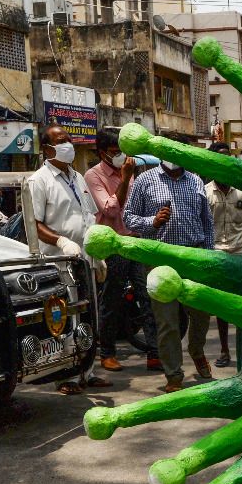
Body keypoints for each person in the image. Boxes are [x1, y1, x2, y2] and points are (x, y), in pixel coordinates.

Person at [28, 124, 112, 394]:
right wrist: (62, 241)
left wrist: (96, 254)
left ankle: (87, 370)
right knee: (64, 319)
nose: (67, 145)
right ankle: (66, 375)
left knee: (89, 315)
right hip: (59, 261)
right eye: (61, 141)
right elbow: (34, 224)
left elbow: (88, 216)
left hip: (85, 258)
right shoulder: (39, 180)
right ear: (47, 148)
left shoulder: (77, 177)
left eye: (68, 140)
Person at [124, 151, 216, 392]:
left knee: (202, 313)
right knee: (168, 321)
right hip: (159, 259)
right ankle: (173, 375)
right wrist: (151, 222)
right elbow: (128, 218)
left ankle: (196, 350)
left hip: (193, 258)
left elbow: (207, 223)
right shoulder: (145, 180)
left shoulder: (195, 181)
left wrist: (209, 256)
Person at [85, 128, 156, 372]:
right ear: (102, 152)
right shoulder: (94, 175)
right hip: (113, 244)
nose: (120, 157)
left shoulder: (131, 172)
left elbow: (133, 208)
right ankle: (107, 353)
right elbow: (111, 210)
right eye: (115, 152)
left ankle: (154, 351)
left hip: (134, 241)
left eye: (122, 152)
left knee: (147, 295)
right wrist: (125, 179)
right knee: (111, 301)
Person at [207, 141, 242, 367]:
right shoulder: (205, 192)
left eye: (228, 155)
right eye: (220, 156)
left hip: (240, 254)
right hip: (217, 255)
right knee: (223, 309)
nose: (225, 159)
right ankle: (225, 351)